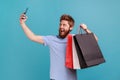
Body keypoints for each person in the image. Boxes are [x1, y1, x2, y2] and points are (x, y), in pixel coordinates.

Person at [19, 13, 97, 80]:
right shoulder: (51, 39)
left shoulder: (74, 38)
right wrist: (22, 23)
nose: (61, 27)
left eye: (64, 25)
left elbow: (94, 40)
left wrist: (86, 29)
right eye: (60, 24)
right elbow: (33, 37)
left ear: (71, 27)